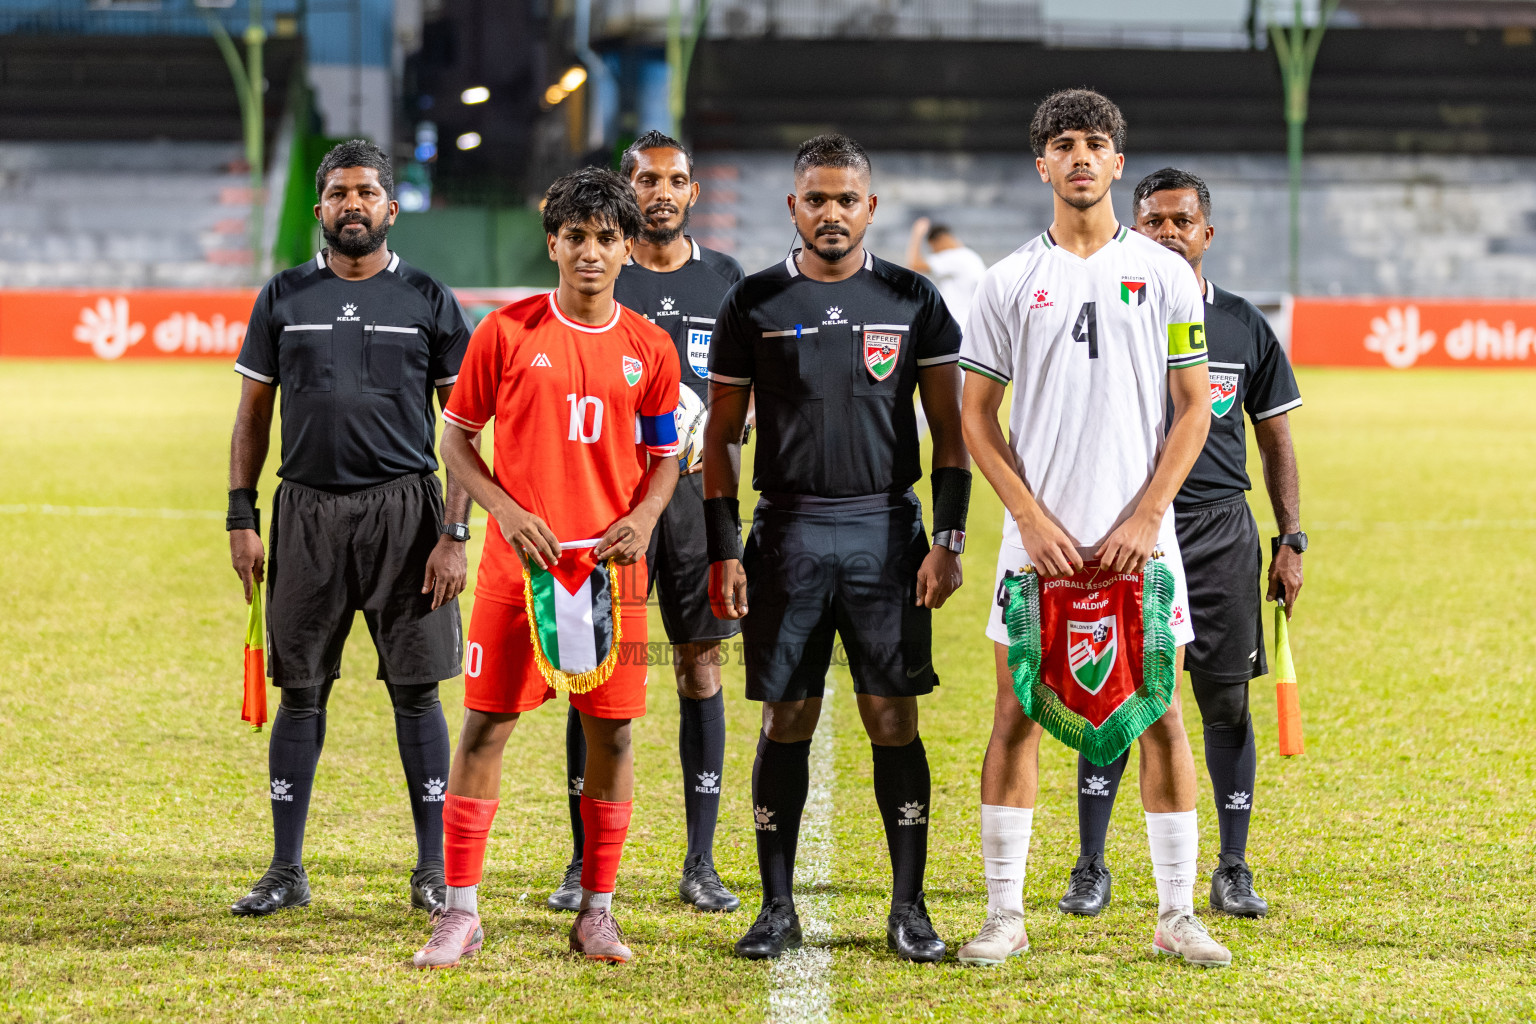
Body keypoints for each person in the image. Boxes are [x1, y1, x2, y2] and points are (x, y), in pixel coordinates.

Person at [954, 89, 1232, 968]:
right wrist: (1028, 519)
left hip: (1143, 544)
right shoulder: (1005, 282)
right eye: (1063, 144)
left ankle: (1177, 913)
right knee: (1015, 714)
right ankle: (1005, 915)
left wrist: (1150, 515)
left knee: (1162, 717)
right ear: (1041, 165)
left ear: (1117, 162)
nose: (1080, 156)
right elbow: (974, 418)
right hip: (1035, 547)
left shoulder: (1167, 273)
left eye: (1096, 143)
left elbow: (1194, 411)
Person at [704, 133, 972, 962]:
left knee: (892, 716)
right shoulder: (752, 303)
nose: (830, 213)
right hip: (783, 532)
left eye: (845, 199)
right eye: (815, 199)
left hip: (886, 532)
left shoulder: (913, 298)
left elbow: (951, 438)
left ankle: (910, 908)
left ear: (870, 208)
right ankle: (776, 907)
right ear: (794, 206)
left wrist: (949, 540)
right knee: (787, 715)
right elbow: (719, 443)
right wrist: (724, 550)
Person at [412, 168, 681, 968]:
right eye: (576, 238)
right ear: (552, 241)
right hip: (515, 570)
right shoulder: (506, 331)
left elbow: (667, 455)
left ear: (627, 248)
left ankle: (597, 911)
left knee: (615, 735)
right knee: (486, 725)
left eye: (606, 239)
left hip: (609, 574)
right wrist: (502, 508)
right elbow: (455, 438)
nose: (590, 253)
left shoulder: (649, 347)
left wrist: (643, 517)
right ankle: (460, 912)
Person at [226, 139, 473, 919]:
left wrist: (454, 534)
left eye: (366, 192)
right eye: (338, 193)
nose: (352, 205)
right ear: (320, 209)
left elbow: (462, 428)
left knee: (415, 694)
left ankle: (432, 870)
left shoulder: (429, 298)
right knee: (301, 693)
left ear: (391, 209)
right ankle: (286, 869)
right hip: (303, 512)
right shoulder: (283, 297)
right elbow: (252, 416)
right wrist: (242, 515)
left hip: (408, 516)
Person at [1056, 167, 1303, 920]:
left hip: (1219, 531)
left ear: (1207, 232)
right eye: (1153, 220)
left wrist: (1291, 536)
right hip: (1123, 531)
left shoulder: (1243, 325)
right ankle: (1091, 865)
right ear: (1133, 227)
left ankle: (1232, 867)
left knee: (1224, 700)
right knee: (1112, 700)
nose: (1167, 232)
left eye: (1181, 221)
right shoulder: (1103, 311)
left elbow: (1277, 437)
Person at [545, 130, 746, 915]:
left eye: (677, 180)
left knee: (699, 667)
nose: (663, 191)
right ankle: (581, 862)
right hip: (605, 503)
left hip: (696, 500)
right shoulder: (603, 272)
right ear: (626, 189)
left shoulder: (726, 280)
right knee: (589, 675)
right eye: (648, 179)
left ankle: (700, 861)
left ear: (694, 192)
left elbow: (743, 385)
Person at [905, 218, 988, 326]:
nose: (934, 252)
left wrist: (917, 234)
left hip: (956, 322)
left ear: (940, 240)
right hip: (970, 323)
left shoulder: (954, 256)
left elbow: (914, 264)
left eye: (932, 247)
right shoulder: (970, 256)